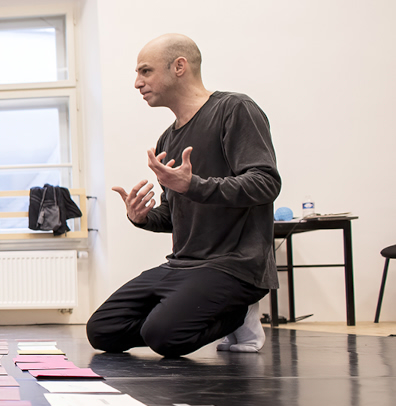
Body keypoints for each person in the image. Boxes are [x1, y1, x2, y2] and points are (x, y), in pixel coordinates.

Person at [86, 34, 279, 357]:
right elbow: (175, 214)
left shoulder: (234, 109)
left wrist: (194, 185)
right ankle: (180, 315)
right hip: (182, 265)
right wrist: (143, 217)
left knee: (164, 337)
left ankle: (236, 314)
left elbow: (265, 183)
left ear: (179, 67)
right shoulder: (167, 139)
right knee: (103, 330)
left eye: (145, 71)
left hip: (234, 265)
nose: (137, 83)